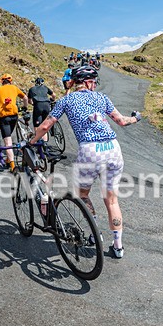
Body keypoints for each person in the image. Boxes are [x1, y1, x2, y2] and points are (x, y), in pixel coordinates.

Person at [29, 65, 142, 259]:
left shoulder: (66, 100)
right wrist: (136, 118)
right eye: (94, 82)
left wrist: (31, 141)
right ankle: (118, 247)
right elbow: (122, 121)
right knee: (112, 200)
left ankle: (94, 234)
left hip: (90, 151)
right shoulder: (102, 98)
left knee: (83, 194)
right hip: (112, 148)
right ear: (89, 82)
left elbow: (46, 125)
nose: (95, 85)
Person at [0, 73, 26, 172]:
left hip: (4, 117)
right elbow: (25, 98)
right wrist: (24, 107)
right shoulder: (14, 88)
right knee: (10, 136)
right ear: (10, 81)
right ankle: (9, 158)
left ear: (2, 81)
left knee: (8, 141)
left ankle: (12, 165)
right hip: (14, 116)